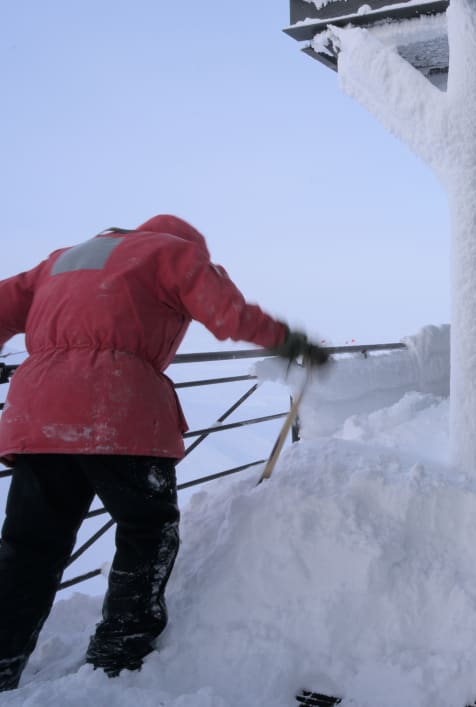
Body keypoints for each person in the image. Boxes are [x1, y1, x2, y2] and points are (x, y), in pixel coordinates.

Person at [0, 214, 329, 690]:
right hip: (115, 408)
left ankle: (4, 656)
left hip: (37, 417)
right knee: (146, 528)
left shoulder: (60, 260)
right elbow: (227, 313)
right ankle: (121, 644)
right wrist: (289, 340)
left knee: (29, 548)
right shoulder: (172, 252)